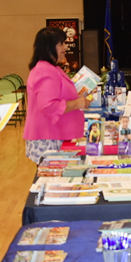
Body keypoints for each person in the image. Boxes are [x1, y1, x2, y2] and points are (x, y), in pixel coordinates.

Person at [23, 27, 89, 163]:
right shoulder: (45, 71)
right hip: (48, 139)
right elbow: (49, 106)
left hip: (54, 135)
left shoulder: (52, 68)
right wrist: (78, 103)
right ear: (48, 48)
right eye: (61, 44)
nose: (66, 47)